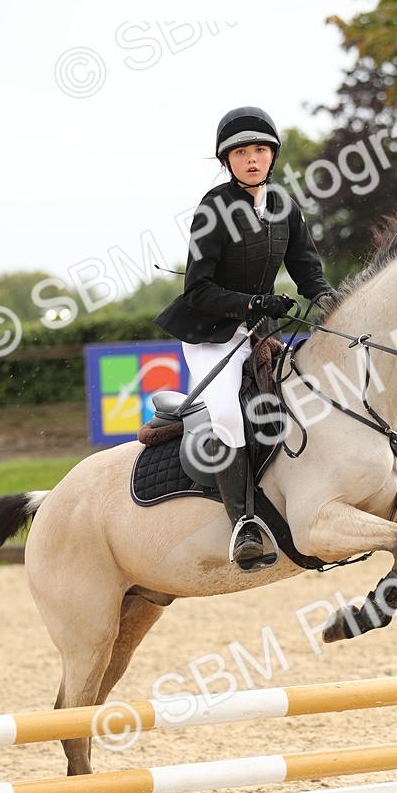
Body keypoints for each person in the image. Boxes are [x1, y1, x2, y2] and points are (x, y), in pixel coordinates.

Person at [154, 106, 336, 569]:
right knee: (229, 416)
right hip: (212, 335)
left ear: (272, 156)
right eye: (241, 152)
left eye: (260, 150)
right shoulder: (213, 209)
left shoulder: (284, 206)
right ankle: (244, 525)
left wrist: (328, 298)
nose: (252, 159)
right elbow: (197, 289)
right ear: (226, 161)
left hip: (262, 333)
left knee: (303, 399)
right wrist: (255, 304)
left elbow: (307, 270)